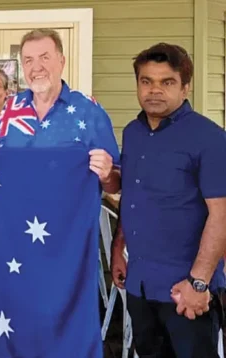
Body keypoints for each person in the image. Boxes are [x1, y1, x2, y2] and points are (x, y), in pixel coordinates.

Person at [110, 43, 226, 358]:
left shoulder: (210, 138)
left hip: (185, 291)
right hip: (140, 285)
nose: (154, 90)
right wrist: (118, 248)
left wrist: (199, 283)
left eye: (167, 82)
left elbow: (222, 216)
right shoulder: (133, 132)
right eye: (146, 81)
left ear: (185, 87)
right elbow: (132, 196)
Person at [0, 29, 120, 194]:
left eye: (44, 58)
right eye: (28, 60)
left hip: (69, 218)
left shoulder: (88, 110)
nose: (36, 68)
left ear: (62, 61)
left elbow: (116, 184)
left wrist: (108, 176)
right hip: (17, 216)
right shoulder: (10, 107)